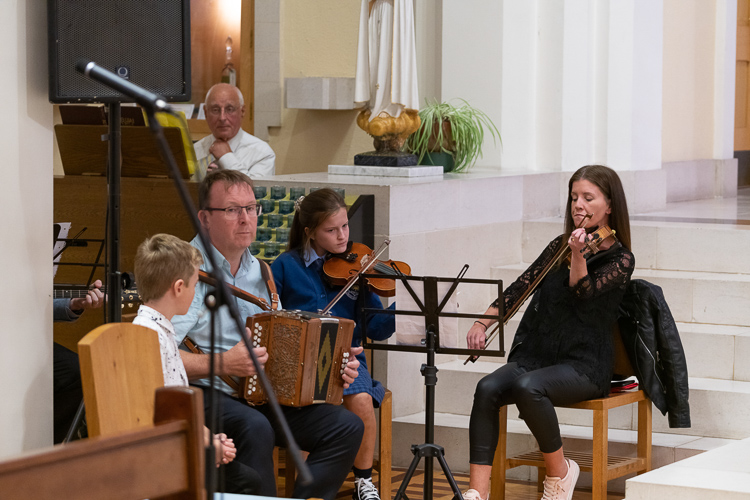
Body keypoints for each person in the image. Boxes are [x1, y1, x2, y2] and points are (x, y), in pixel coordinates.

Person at [171, 169, 365, 500]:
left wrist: (332, 368)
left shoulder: (262, 272)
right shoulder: (184, 269)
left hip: (256, 393)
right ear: (204, 218)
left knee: (345, 425)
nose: (246, 219)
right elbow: (157, 353)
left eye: (251, 208)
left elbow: (281, 344)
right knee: (255, 426)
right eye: (233, 210)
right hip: (202, 392)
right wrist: (224, 363)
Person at [462, 165, 636, 500]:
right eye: (574, 197)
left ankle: (560, 475)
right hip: (540, 354)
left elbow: (582, 292)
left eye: (588, 197)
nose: (578, 205)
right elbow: (520, 287)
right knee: (487, 388)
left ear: (609, 206)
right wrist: (481, 323)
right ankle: (477, 493)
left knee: (529, 388)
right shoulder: (560, 244)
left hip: (584, 364)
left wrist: (576, 255)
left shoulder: (621, 259)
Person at [271, 188, 395, 500]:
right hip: (298, 361)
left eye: (345, 226)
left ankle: (363, 481)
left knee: (361, 400)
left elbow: (376, 329)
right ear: (310, 233)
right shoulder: (285, 266)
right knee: (309, 406)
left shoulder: (357, 268)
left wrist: (402, 310)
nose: (342, 237)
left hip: (347, 359)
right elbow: (271, 317)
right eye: (331, 230)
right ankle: (311, 486)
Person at [132, 233, 248, 482]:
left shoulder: (159, 328)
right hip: (167, 456)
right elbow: (167, 414)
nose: (196, 292)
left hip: (181, 440)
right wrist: (208, 446)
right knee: (247, 482)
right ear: (179, 288)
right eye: (195, 285)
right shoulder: (150, 336)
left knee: (245, 476)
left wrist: (210, 438)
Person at [53, 281, 105, 443]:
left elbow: (30, 302)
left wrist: (73, 303)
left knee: (79, 372)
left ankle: (46, 449)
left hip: (18, 338)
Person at [194, 83, 275, 180]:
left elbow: (253, 192)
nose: (222, 117)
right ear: (206, 113)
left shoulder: (262, 153)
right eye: (215, 110)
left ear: (242, 111)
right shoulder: (195, 151)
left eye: (229, 109)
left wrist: (226, 157)